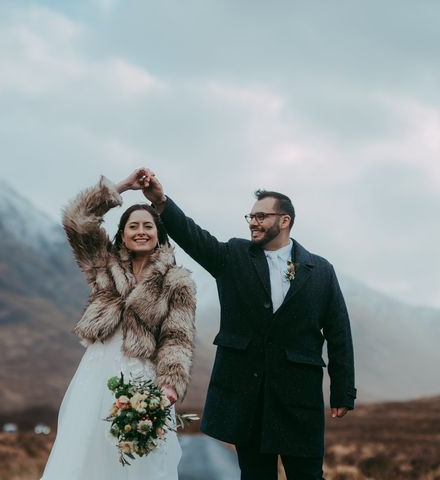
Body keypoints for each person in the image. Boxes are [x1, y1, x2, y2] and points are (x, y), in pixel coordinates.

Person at [136, 168, 356, 480]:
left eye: (261, 216)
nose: (253, 222)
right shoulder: (233, 256)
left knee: (308, 476)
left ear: (284, 221)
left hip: (299, 399)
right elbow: (193, 237)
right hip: (248, 397)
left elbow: (338, 332)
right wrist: (160, 202)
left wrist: (343, 391)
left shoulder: (320, 270)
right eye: (250, 216)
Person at [41, 172, 196, 480]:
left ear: (159, 233)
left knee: (139, 462)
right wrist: (122, 187)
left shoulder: (177, 281)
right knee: (84, 451)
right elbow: (77, 219)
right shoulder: (104, 264)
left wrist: (169, 386)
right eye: (133, 226)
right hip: (96, 374)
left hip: (144, 381)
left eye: (148, 226)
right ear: (122, 234)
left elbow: (177, 338)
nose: (141, 232)